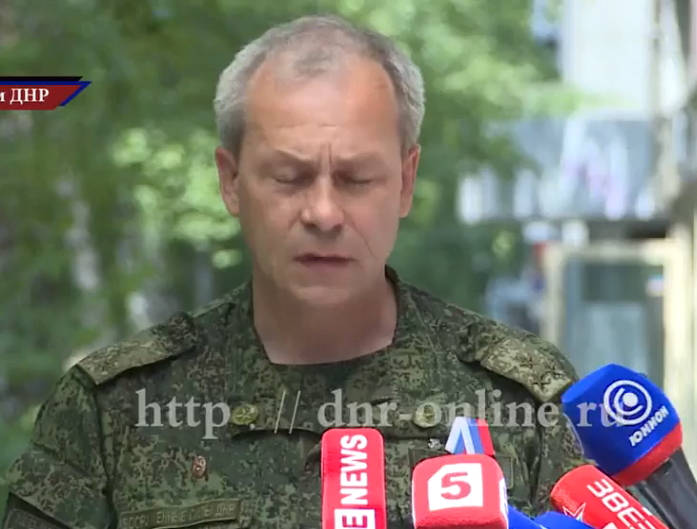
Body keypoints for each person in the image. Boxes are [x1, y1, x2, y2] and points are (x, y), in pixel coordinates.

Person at [1, 13, 590, 529]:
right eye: (289, 177)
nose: (324, 213)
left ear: (406, 181)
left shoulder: (523, 399)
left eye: (357, 179)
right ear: (232, 181)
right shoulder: (113, 410)